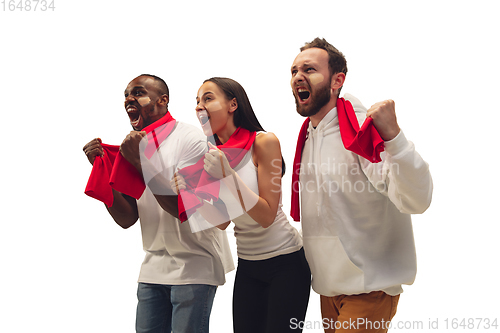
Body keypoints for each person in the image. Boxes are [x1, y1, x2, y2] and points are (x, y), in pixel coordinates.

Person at [289, 38, 433, 333]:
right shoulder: (307, 136)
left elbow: (418, 199)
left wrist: (394, 137)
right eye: (293, 71)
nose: (298, 76)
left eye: (310, 69)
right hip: (328, 289)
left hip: (370, 287)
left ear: (337, 80)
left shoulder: (358, 129)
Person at [82, 74, 234, 333]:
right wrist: (103, 171)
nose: (129, 99)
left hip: (195, 264)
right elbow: (127, 218)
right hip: (153, 268)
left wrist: (142, 162)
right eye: (126, 95)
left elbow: (186, 210)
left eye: (139, 93)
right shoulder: (134, 145)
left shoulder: (191, 140)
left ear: (163, 101)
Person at [171, 77, 311, 333]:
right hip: (248, 266)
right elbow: (223, 221)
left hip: (287, 264)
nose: (199, 106)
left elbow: (267, 215)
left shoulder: (264, 142)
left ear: (233, 104)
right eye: (197, 101)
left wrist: (228, 175)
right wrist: (189, 195)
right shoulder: (212, 155)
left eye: (208, 98)